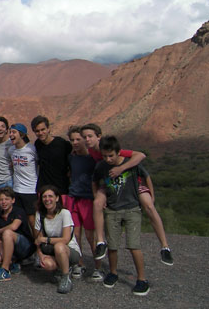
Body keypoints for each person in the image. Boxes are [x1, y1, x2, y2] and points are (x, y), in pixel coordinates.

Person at [81, 123, 172, 266]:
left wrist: (121, 168)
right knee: (97, 203)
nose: (87, 139)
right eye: (84, 137)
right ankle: (100, 242)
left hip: (131, 181)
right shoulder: (92, 151)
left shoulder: (113, 149)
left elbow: (140, 156)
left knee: (149, 206)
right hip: (109, 182)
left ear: (98, 137)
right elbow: (95, 177)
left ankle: (165, 246)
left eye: (90, 136)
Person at [92, 136, 150, 296]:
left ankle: (142, 279)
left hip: (132, 208)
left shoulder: (130, 163)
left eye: (111, 155)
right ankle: (113, 272)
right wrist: (98, 196)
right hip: (112, 209)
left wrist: (151, 196)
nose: (108, 159)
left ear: (119, 152)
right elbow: (95, 181)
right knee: (112, 245)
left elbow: (146, 175)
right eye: (105, 156)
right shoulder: (101, 166)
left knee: (133, 245)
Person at [64, 126, 102, 281]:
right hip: (73, 198)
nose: (75, 143)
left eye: (78, 139)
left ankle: (98, 267)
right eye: (72, 140)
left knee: (91, 236)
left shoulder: (93, 158)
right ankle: (79, 264)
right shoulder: (71, 157)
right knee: (76, 234)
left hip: (88, 199)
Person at [33, 185, 82, 294]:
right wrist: (40, 255)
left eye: (50, 196)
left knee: (59, 246)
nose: (47, 199)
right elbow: (38, 240)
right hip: (52, 250)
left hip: (69, 250)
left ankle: (66, 277)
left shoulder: (64, 213)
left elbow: (65, 239)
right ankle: (60, 269)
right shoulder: (40, 215)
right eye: (44, 197)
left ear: (57, 198)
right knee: (47, 264)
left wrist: (46, 240)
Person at [0, 187, 36, 282]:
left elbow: (14, 226)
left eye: (7, 199)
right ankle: (13, 262)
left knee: (7, 233)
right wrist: (3, 254)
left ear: (13, 200)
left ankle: (5, 270)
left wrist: (0, 230)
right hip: (8, 246)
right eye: (1, 200)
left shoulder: (19, 211)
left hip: (24, 246)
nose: (4, 202)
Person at [32, 115, 72, 197]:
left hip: (61, 189)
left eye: (43, 129)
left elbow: (72, 158)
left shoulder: (61, 143)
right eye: (37, 131)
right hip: (43, 189)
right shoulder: (37, 144)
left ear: (48, 129)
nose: (40, 133)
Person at [9, 123, 39, 232]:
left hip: (30, 189)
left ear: (22, 134)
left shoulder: (31, 149)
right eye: (10, 132)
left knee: (32, 220)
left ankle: (38, 242)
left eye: (14, 132)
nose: (11, 135)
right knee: (19, 220)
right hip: (17, 189)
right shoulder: (11, 150)